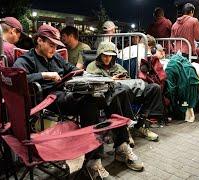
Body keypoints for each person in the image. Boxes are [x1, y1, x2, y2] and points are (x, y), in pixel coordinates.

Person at [13, 24, 143, 178]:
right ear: (39, 40)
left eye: (56, 45)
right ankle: (93, 160)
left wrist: (89, 76)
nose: (54, 49)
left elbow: (73, 69)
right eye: (51, 44)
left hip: (69, 92)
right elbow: (17, 78)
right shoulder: (26, 59)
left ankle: (122, 145)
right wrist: (45, 75)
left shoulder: (55, 57)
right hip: (51, 98)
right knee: (91, 101)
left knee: (113, 90)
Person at [87, 41, 165, 141]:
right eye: (105, 56)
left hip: (128, 93)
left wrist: (123, 78)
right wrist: (112, 79)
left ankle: (140, 125)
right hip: (108, 97)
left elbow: (127, 78)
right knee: (124, 90)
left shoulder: (117, 66)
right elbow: (93, 83)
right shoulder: (92, 67)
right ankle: (126, 129)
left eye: (110, 56)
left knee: (154, 88)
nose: (108, 58)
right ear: (100, 55)